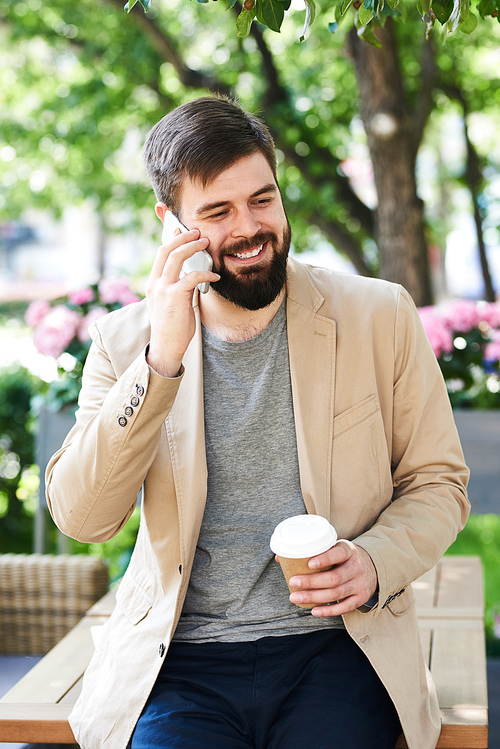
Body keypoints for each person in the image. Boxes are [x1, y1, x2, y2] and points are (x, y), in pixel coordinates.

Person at [46, 95, 469, 749]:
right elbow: (83, 516)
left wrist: (376, 559)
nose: (250, 228)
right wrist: (161, 359)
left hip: (337, 648)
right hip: (180, 663)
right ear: (170, 223)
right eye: (217, 211)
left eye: (263, 199)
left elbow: (439, 481)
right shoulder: (126, 342)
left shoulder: (378, 315)